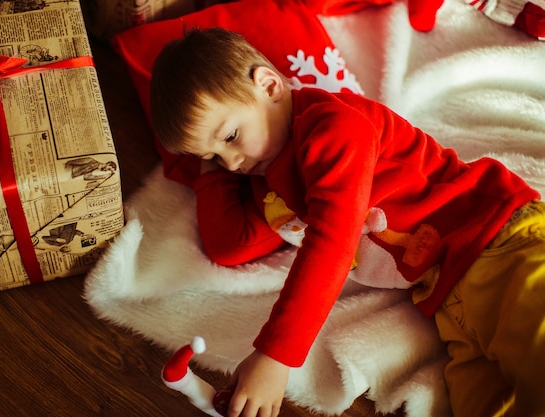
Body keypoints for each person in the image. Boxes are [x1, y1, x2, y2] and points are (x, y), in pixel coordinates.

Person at [150, 28, 545, 417]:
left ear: (269, 86)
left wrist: (275, 355)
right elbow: (231, 244)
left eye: (231, 136)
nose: (232, 162)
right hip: (447, 298)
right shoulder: (264, 176)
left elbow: (332, 241)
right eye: (215, 155)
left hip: (494, 240)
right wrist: (211, 171)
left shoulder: (336, 127)